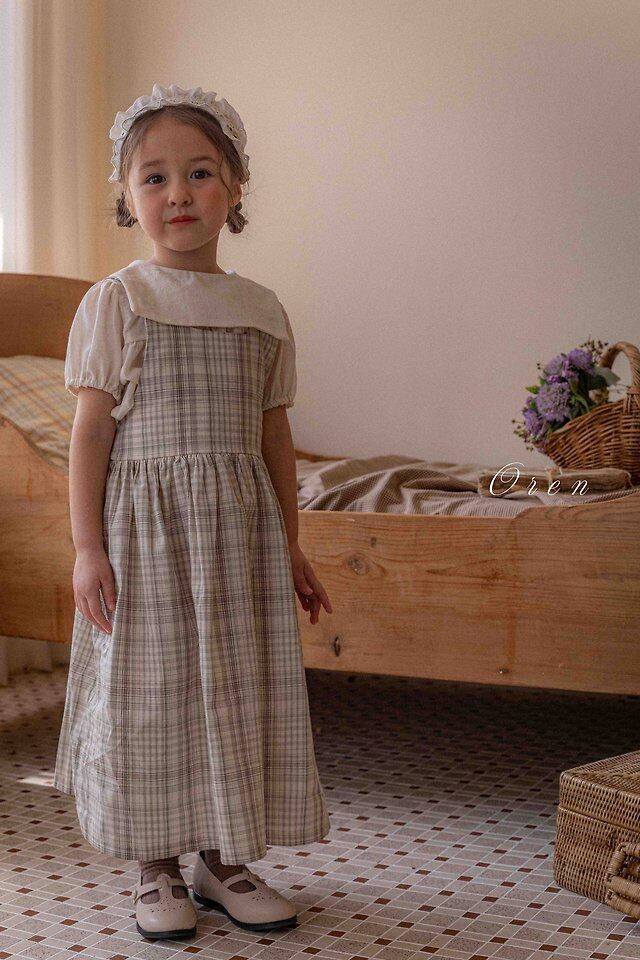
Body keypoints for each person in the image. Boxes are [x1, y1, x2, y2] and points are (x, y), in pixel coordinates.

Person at [52, 82, 333, 941]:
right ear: (128, 194)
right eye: (155, 177)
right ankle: (156, 866)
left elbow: (274, 437)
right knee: (153, 696)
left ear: (235, 186)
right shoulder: (118, 300)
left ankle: (220, 859)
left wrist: (291, 545)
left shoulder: (262, 310)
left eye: (200, 172)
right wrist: (87, 548)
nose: (178, 193)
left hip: (237, 541)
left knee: (234, 694)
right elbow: (90, 433)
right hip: (146, 541)